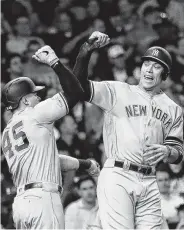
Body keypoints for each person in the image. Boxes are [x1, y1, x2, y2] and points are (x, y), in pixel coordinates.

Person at [73, 32, 184, 229]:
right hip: (118, 175)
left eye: (156, 66)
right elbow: (79, 86)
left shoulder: (173, 109)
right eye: (146, 64)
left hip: (149, 179)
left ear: (165, 75)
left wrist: (168, 151)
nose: (149, 70)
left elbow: (178, 154)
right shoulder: (119, 91)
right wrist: (85, 51)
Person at [1, 42, 101, 229]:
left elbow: (50, 159)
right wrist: (56, 62)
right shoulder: (35, 114)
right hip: (43, 199)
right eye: (34, 94)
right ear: (24, 100)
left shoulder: (6, 131)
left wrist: (85, 164)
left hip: (21, 204)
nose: (38, 96)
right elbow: (75, 92)